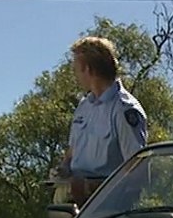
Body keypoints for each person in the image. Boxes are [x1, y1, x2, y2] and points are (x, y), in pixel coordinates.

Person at [61, 36, 147, 207]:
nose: (76, 75)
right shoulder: (84, 107)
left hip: (108, 208)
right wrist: (62, 171)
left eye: (76, 69)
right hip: (75, 206)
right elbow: (72, 152)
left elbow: (137, 168)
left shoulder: (124, 109)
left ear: (88, 69)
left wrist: (90, 188)